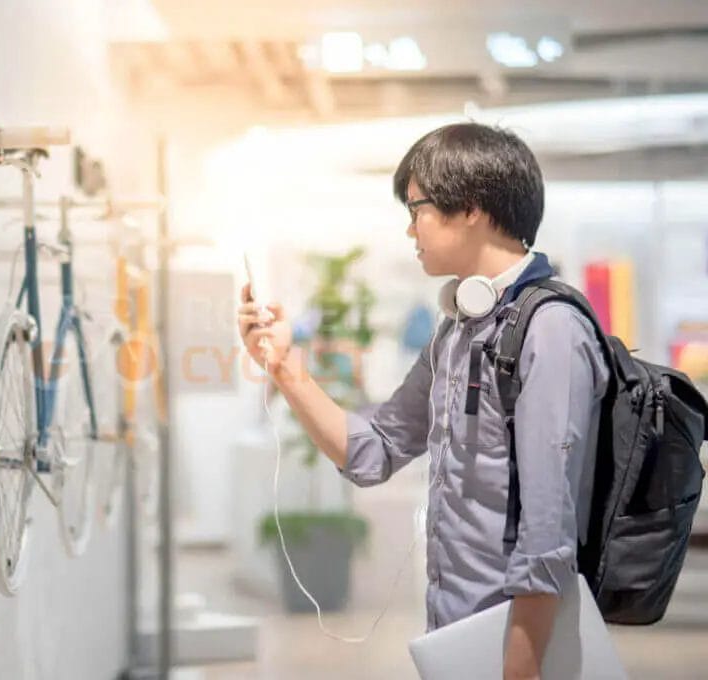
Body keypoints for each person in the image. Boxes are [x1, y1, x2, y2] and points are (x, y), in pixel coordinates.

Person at [237, 122, 609, 680]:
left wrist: (521, 668)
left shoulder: (551, 329)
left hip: (516, 648)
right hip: (455, 634)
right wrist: (286, 369)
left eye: (418, 209)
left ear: (471, 208)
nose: (410, 229)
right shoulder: (456, 330)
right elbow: (373, 451)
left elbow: (547, 530)